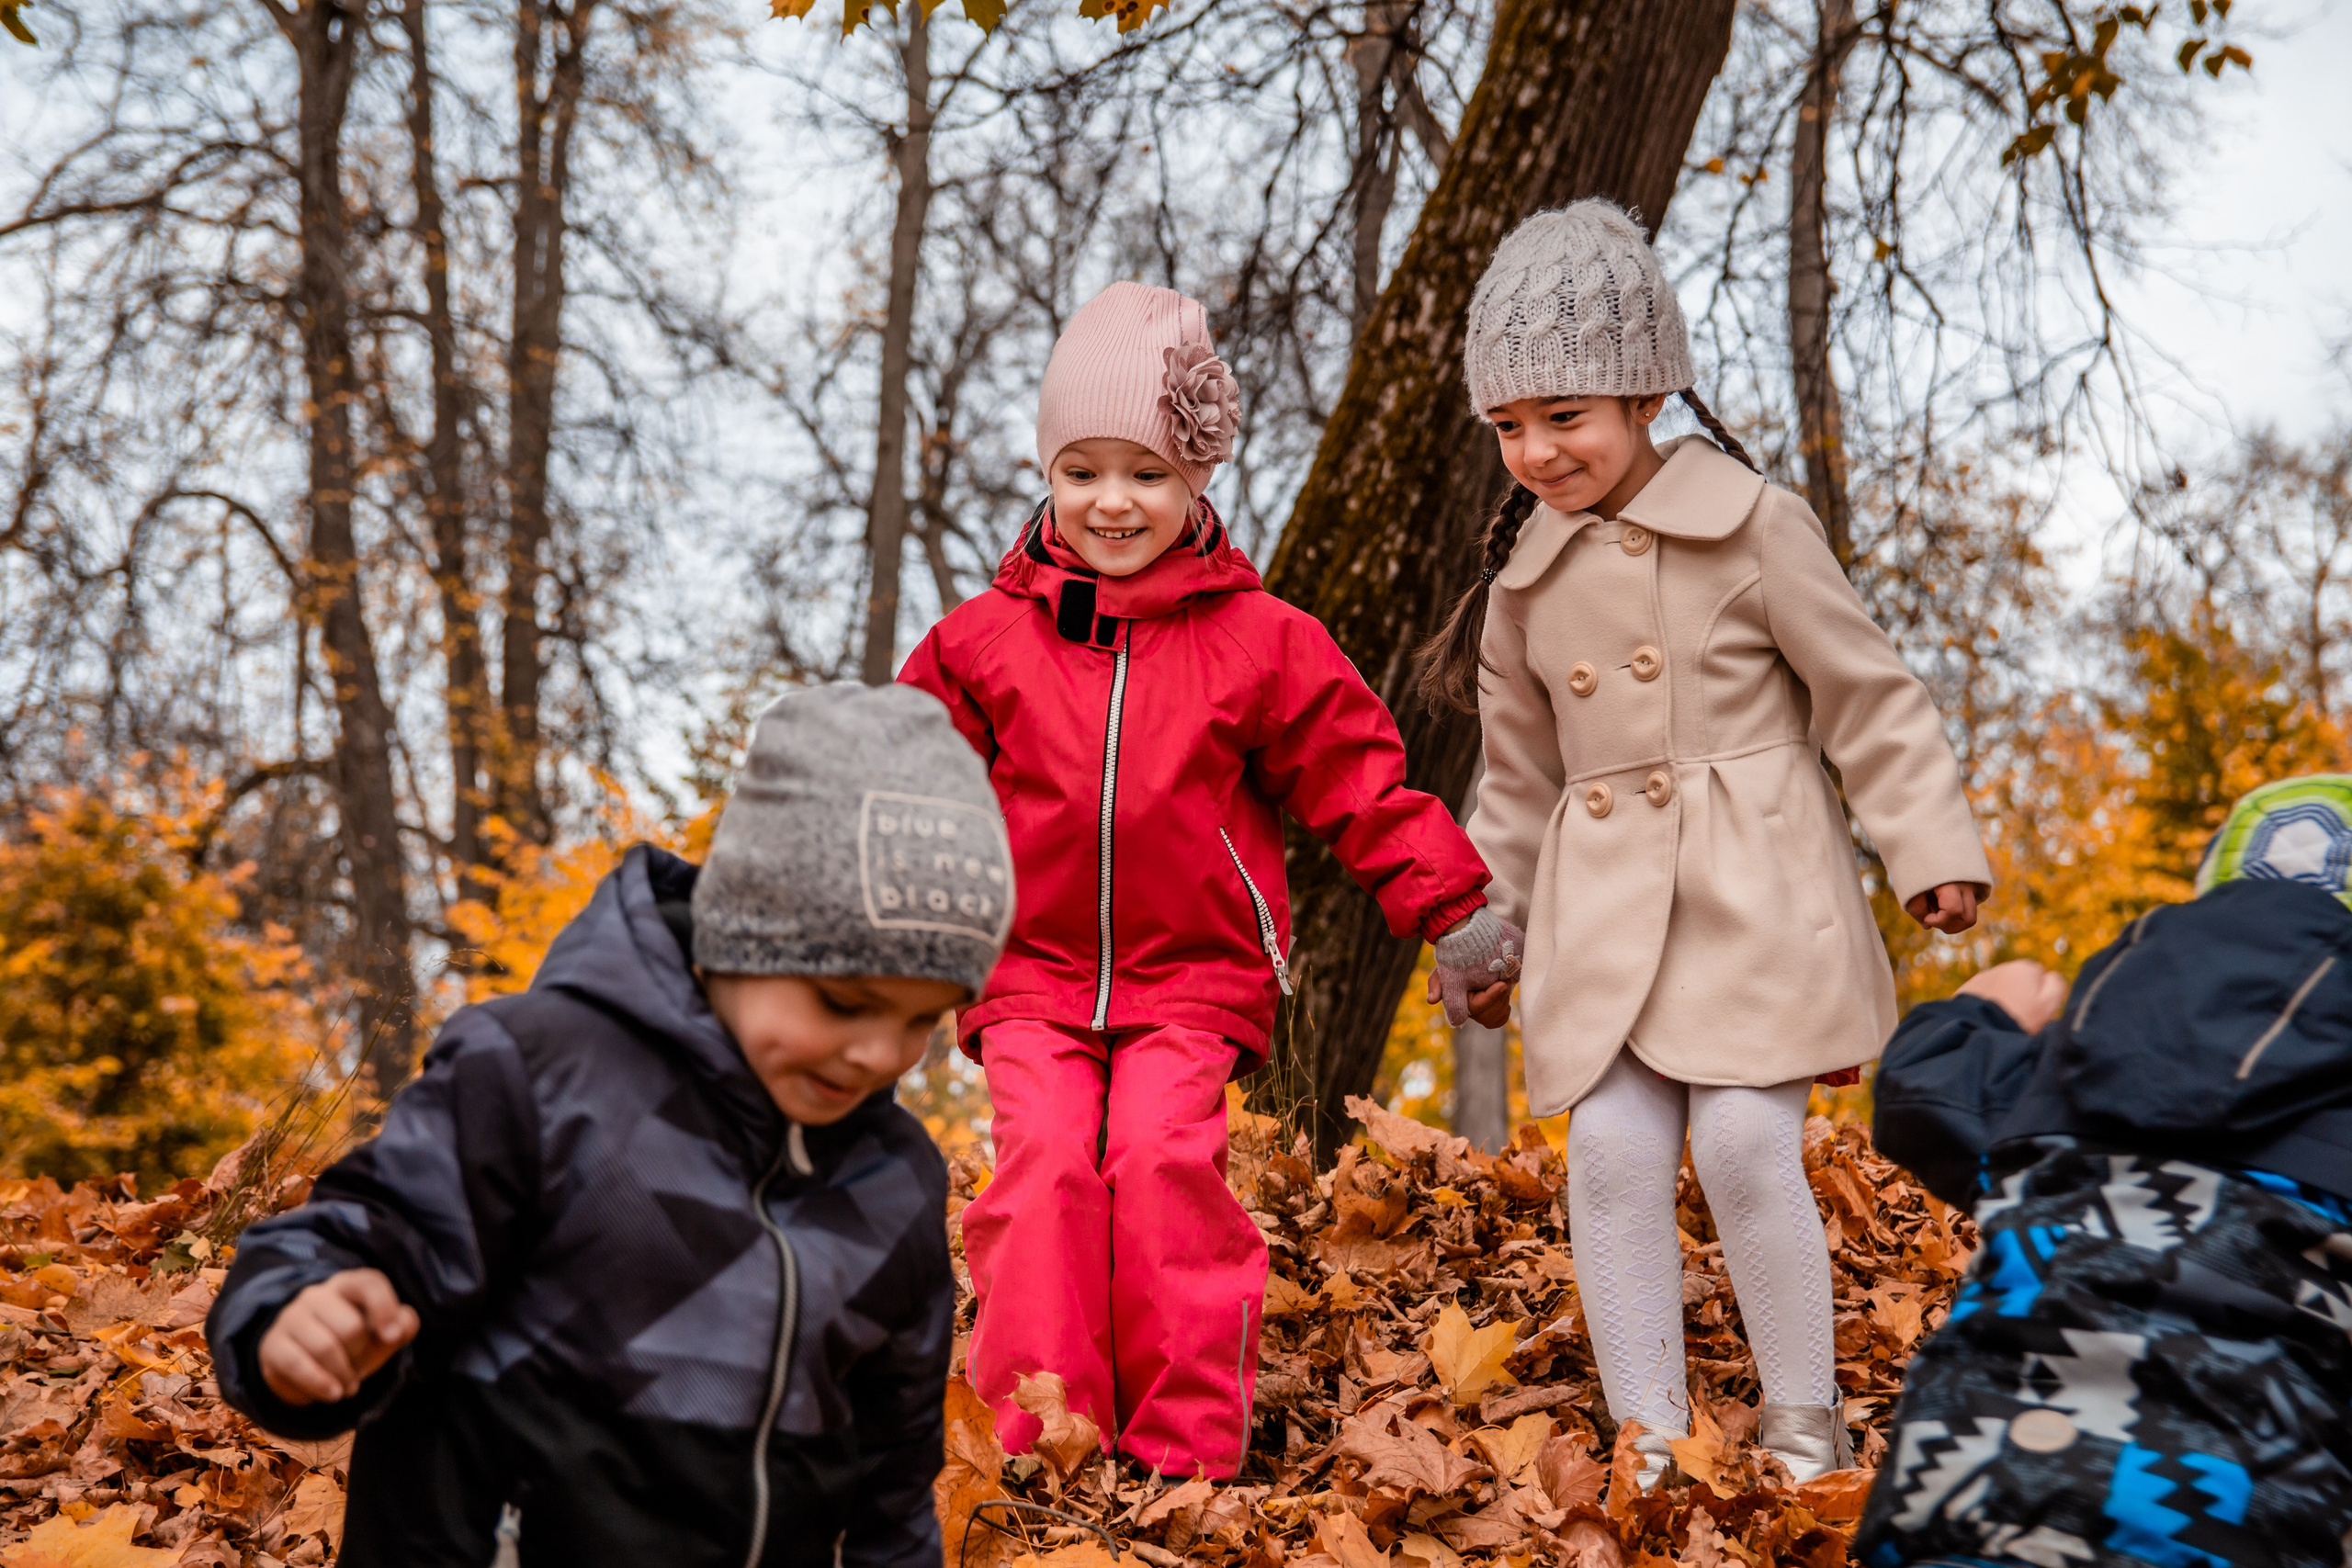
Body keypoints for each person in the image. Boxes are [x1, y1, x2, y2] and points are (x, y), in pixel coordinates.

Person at [1421, 200, 1994, 1488]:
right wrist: (1480, 915)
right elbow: (1516, 781)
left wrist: (1928, 846)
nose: (1537, 450)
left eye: (1565, 414)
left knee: (1742, 1142)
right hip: (1605, 912)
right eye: (1509, 426)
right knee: (1612, 1154)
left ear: (1646, 389)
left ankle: (1803, 1430)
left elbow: (1868, 694)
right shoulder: (1520, 584)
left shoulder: (1755, 523)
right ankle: (1653, 1443)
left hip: (1756, 893)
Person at [898, 280, 1509, 1480]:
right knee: (1043, 1170)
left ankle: (1183, 1452)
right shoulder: (981, 643)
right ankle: (1037, 1439)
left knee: (1164, 1170)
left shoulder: (1258, 638)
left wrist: (1454, 904)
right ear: (1048, 474)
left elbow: (1358, 775)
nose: (1111, 502)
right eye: (1081, 471)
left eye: (1144, 473)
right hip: (1027, 972)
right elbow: (905, 785)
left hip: (1193, 976)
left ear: (1196, 482)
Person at [208, 684, 1012, 1568]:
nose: (876, 1052)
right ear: (737, 934)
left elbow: (890, 1478)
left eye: (920, 1020)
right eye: (843, 1001)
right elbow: (371, 1229)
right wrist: (299, 1314)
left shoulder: (893, 1180)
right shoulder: (537, 1073)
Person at [1857, 774, 2352, 1568]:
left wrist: (1985, 1006)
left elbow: (1918, 1090)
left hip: (1963, 1493)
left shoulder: (2066, 1068)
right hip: (2227, 1525)